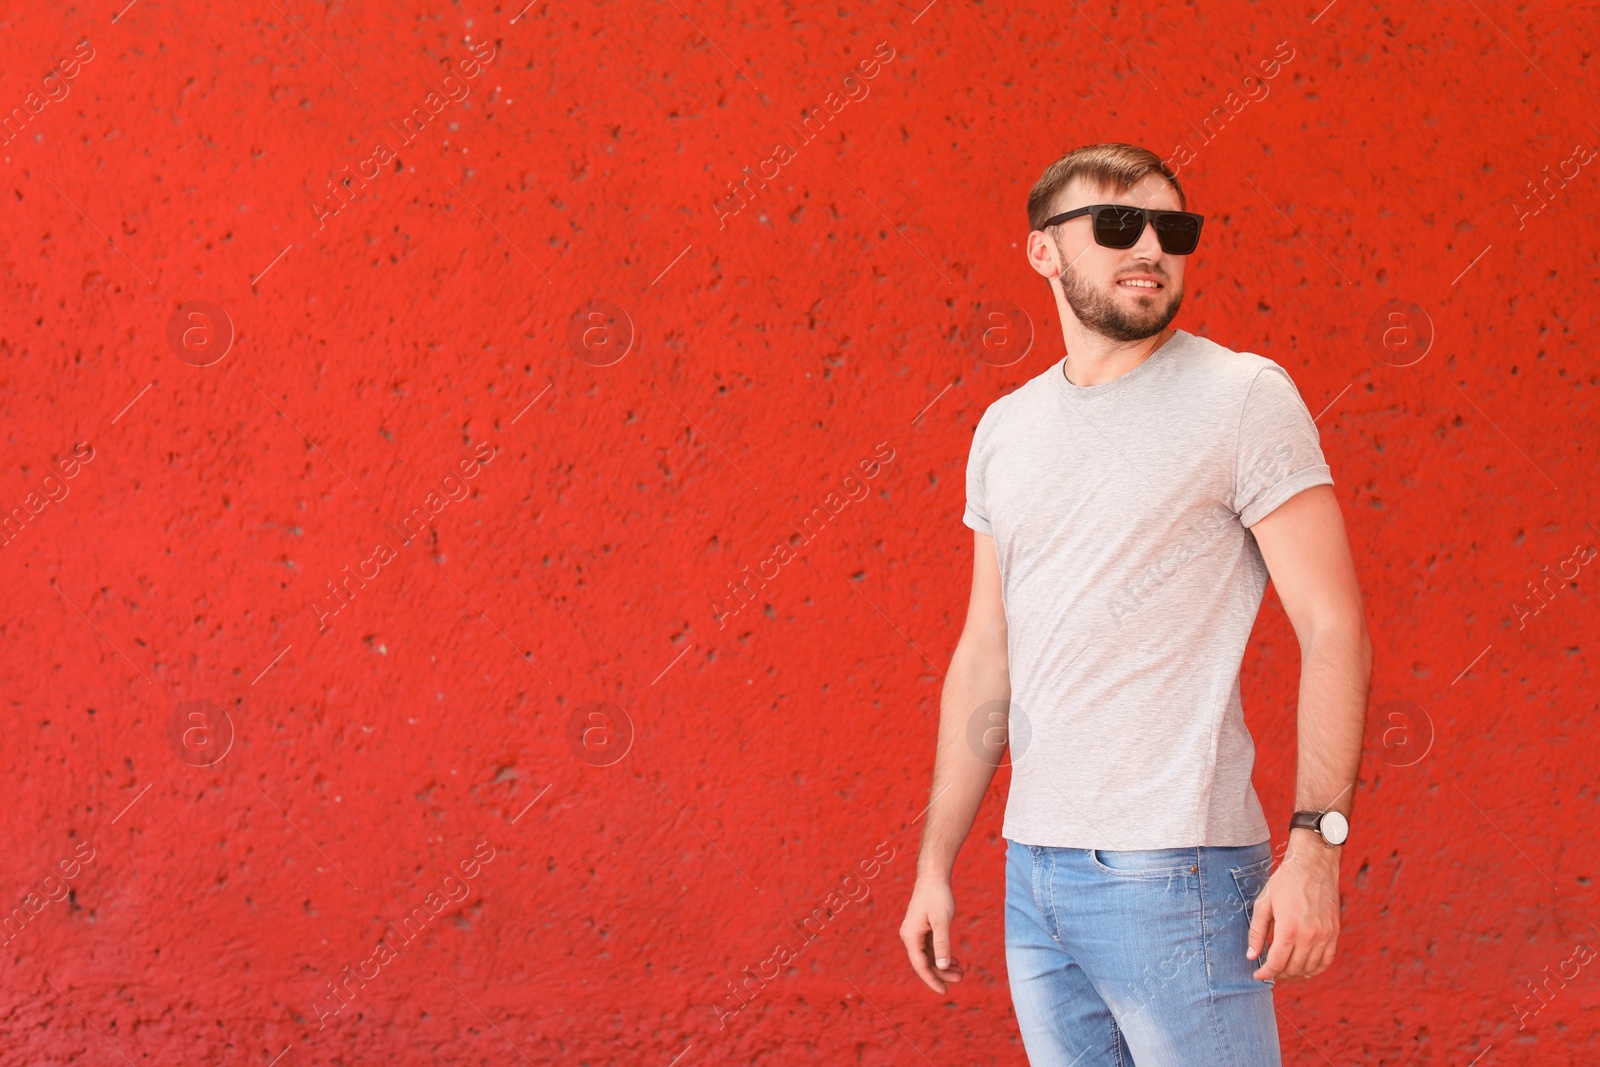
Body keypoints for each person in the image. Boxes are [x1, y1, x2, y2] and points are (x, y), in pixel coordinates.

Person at [898, 143, 1372, 1065]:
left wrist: (1318, 843)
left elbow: (1333, 623)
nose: (1150, 245)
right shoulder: (1005, 429)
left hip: (1177, 872)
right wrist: (934, 862)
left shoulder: (1243, 397)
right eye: (1118, 224)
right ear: (1044, 251)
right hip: (1034, 870)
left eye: (1174, 228)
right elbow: (986, 652)